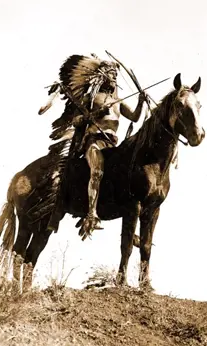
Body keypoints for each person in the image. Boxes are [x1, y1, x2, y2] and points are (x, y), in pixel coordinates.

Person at [42, 54, 146, 237]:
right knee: (97, 170)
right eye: (111, 74)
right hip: (93, 142)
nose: (114, 78)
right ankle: (91, 213)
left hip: (112, 145)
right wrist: (94, 114)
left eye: (115, 75)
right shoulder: (92, 98)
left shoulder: (118, 102)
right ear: (102, 76)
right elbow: (76, 120)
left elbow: (135, 117)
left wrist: (140, 101)